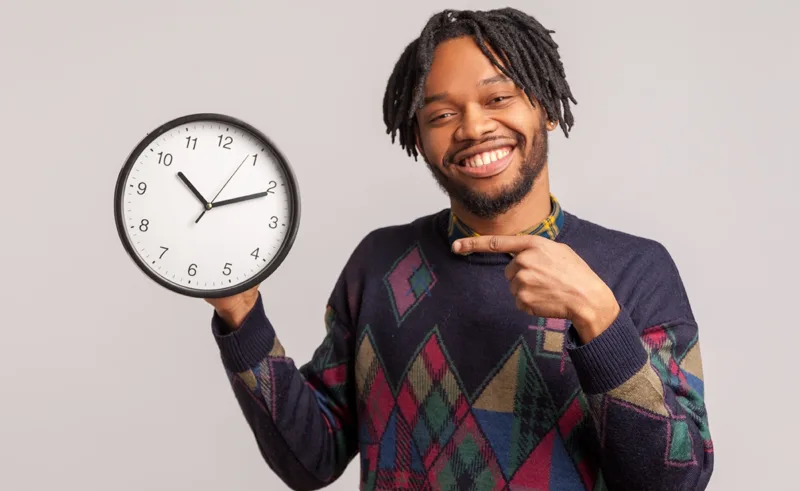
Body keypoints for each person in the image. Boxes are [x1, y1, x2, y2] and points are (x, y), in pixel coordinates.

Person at [205, 7, 713, 491]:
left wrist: (597, 319)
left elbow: (673, 480)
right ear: (419, 139)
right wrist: (240, 313)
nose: (472, 127)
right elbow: (309, 458)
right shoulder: (378, 265)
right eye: (443, 113)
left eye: (498, 99)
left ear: (548, 108)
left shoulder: (634, 269)